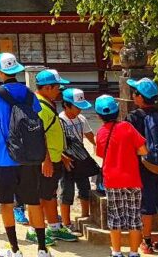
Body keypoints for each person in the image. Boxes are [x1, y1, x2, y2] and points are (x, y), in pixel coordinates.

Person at [0, 52, 50, 257]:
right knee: (33, 202)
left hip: (4, 156)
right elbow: (36, 115)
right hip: (29, 157)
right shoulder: (29, 93)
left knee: (6, 203)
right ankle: (42, 249)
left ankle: (15, 249)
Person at [126, 78, 158, 254]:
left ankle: (147, 242)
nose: (133, 95)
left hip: (145, 166)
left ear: (140, 97)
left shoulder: (133, 117)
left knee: (146, 204)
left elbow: (130, 145)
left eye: (135, 92)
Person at [95, 95, 148, 257]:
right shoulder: (127, 127)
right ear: (118, 112)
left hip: (112, 180)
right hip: (132, 178)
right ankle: (133, 252)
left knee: (115, 217)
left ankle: (117, 252)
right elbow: (143, 150)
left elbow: (99, 154)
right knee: (134, 217)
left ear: (98, 116)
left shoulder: (101, 132)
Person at [32, 69, 78, 244]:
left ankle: (54, 227)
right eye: (57, 87)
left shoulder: (47, 103)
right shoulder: (40, 107)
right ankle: (35, 230)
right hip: (47, 161)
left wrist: (61, 154)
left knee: (50, 194)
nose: (59, 91)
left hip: (54, 157)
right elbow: (38, 135)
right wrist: (47, 160)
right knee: (42, 197)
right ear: (47, 87)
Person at [59, 88, 96, 232]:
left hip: (80, 159)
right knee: (66, 191)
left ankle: (84, 216)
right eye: (77, 107)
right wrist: (63, 158)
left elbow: (89, 134)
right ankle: (66, 223)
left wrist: (97, 145)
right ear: (66, 105)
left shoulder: (82, 119)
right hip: (66, 161)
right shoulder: (60, 121)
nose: (80, 110)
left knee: (84, 188)